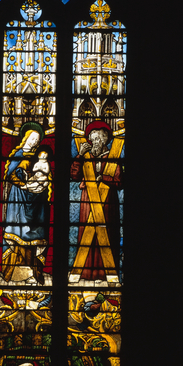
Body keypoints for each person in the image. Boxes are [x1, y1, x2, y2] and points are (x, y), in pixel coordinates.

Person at [70, 121, 123, 283]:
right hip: (88, 200)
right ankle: (85, 273)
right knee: (87, 233)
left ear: (106, 140)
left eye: (98, 139)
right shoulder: (85, 157)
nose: (95, 143)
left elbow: (119, 181)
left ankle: (107, 273)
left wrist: (104, 178)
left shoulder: (113, 158)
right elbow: (75, 176)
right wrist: (79, 155)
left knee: (107, 232)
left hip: (108, 203)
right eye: (92, 139)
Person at [1, 124, 51, 284]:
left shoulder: (37, 156)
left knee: (33, 235)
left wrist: (39, 183)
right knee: (18, 233)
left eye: (37, 140)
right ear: (25, 138)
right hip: (18, 199)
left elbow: (44, 174)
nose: (34, 142)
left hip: (35, 200)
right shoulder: (18, 155)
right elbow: (11, 176)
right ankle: (14, 273)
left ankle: (33, 272)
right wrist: (24, 185)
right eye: (32, 138)